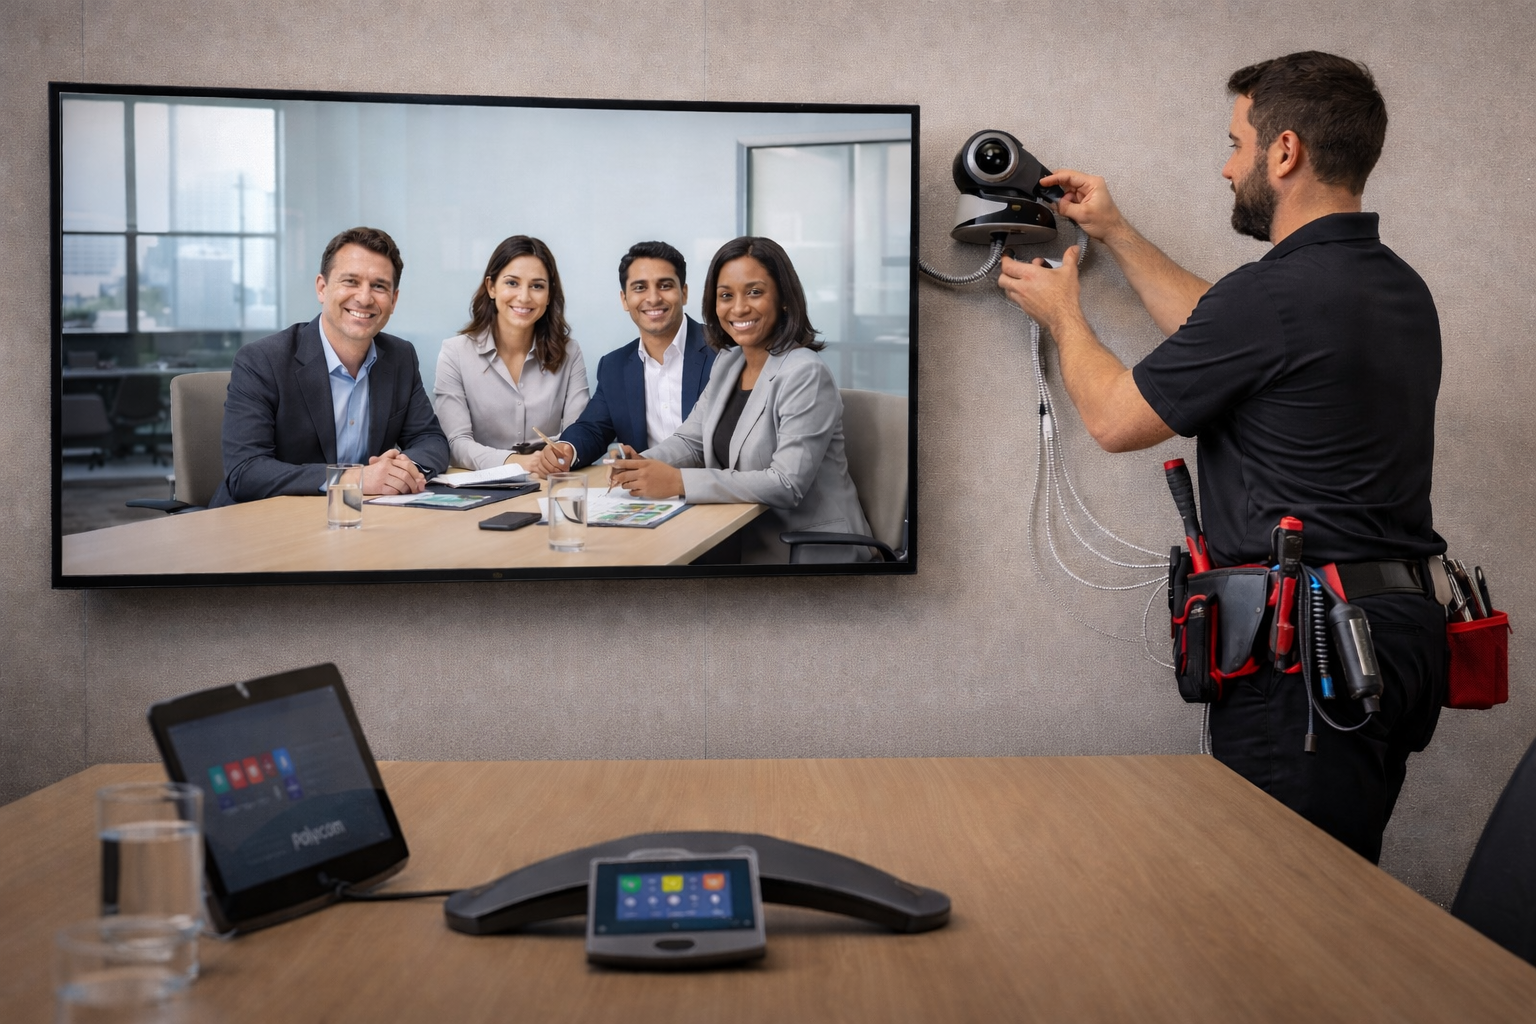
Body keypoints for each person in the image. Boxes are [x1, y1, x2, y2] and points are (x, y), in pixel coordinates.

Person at [996, 51, 1446, 863]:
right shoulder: (1394, 287)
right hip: (1396, 640)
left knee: (1284, 899)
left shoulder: (1271, 297)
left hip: (1308, 656)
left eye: (1237, 143)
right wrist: (1116, 233)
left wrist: (1064, 316)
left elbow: (1115, 419)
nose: (1227, 167)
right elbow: (1223, 332)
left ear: (1285, 152)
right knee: (1338, 883)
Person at [609, 236, 872, 564]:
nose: (738, 308)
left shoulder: (805, 372)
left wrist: (678, 481)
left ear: (784, 299)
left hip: (808, 552)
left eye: (755, 292)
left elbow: (786, 483)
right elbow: (692, 442)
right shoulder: (728, 362)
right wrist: (642, 464)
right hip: (739, 538)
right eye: (726, 296)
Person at [212, 227, 449, 507]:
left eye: (379, 286)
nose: (364, 298)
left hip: (360, 517)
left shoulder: (400, 356)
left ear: (393, 300)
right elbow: (246, 472)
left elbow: (430, 440)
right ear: (322, 288)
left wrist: (401, 472)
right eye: (351, 281)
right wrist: (354, 479)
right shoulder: (263, 360)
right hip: (267, 519)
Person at [528, 241, 715, 475]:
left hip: (713, 489)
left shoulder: (723, 350)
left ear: (684, 293)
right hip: (647, 491)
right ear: (624, 299)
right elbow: (593, 428)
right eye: (640, 288)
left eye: (665, 285)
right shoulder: (614, 367)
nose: (653, 298)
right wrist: (567, 449)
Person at [434, 236, 589, 470]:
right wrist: (517, 462)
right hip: (482, 486)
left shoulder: (570, 352)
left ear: (549, 295)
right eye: (512, 283)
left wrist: (563, 454)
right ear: (491, 287)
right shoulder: (454, 353)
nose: (524, 297)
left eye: (537, 286)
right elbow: (456, 444)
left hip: (551, 480)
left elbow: (578, 433)